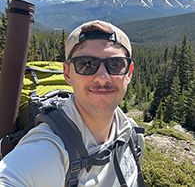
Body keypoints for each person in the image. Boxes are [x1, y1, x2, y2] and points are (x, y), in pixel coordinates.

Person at [0, 20, 145, 187]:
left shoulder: (133, 135)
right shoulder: (49, 149)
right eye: (86, 64)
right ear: (67, 74)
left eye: (115, 64)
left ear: (129, 73)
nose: (102, 77)